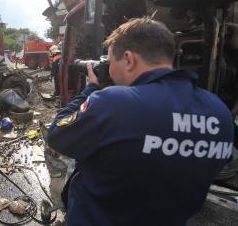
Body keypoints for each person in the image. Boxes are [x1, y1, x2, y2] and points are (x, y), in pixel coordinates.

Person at [47, 17, 234, 225]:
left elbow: (57, 134)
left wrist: (90, 89)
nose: (109, 70)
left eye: (110, 62)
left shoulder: (113, 103)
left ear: (128, 59)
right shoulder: (220, 112)